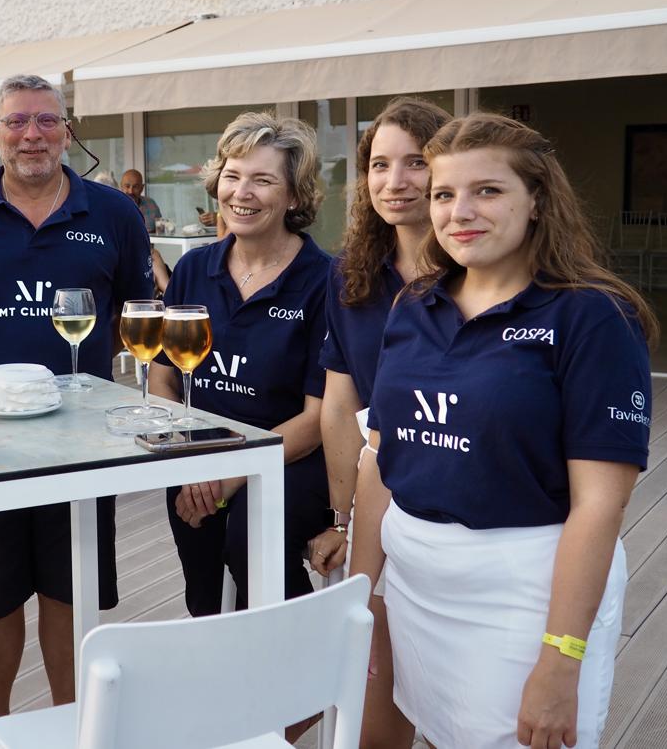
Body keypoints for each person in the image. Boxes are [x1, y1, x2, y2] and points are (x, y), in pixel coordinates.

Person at [351, 113, 658, 749]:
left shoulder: (593, 316)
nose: (460, 211)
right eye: (444, 193)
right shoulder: (416, 304)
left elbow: (601, 504)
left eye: (487, 191)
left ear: (537, 201)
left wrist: (561, 658)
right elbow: (379, 460)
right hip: (415, 581)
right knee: (435, 730)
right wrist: (356, 602)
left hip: (525, 592)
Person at [0, 74, 153, 749]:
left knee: (70, 591)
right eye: (16, 123)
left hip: (84, 440)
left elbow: (136, 312)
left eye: (47, 122)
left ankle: (71, 724)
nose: (32, 135)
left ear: (66, 132)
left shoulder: (114, 215)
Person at [151, 112, 331, 618]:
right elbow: (162, 377)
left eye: (263, 179)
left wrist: (233, 474)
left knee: (251, 553)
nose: (241, 192)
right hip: (197, 458)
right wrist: (191, 459)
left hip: (287, 460)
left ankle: (307, 682)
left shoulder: (324, 281)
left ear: (294, 195)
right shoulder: (193, 269)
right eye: (232, 175)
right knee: (204, 596)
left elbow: (318, 420)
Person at [312, 97, 451, 749]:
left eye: (415, 163)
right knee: (377, 695)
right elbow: (339, 408)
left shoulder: (482, 277)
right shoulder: (352, 278)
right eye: (378, 165)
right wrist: (342, 518)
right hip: (380, 516)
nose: (395, 181)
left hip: (461, 514)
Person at [120, 168, 163, 233]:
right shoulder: (113, 207)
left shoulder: (151, 204)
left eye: (135, 187)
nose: (131, 191)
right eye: (127, 186)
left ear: (142, 188)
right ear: (121, 187)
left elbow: (160, 231)